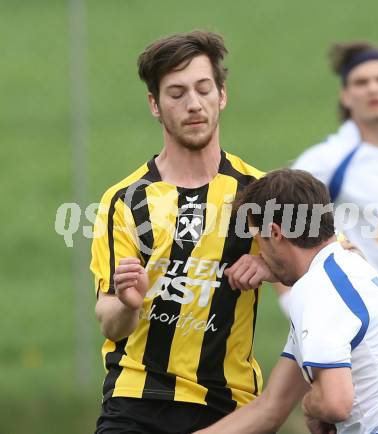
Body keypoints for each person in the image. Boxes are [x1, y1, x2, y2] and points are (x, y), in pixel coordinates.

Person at [90, 30, 277, 434]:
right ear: (155, 105)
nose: (193, 104)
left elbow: (332, 266)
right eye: (176, 94)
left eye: (203, 89)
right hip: (136, 402)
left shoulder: (260, 194)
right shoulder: (125, 200)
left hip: (230, 405)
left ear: (221, 95)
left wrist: (272, 266)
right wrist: (128, 302)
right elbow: (109, 322)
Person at [195, 169, 378, 434]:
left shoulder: (316, 290)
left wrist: (311, 405)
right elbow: (271, 407)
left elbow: (335, 404)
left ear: (275, 233)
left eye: (258, 240)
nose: (260, 254)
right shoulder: (347, 270)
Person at [276, 41, 378, 314]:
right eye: (361, 82)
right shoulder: (326, 160)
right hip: (344, 314)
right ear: (346, 96)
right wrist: (294, 304)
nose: (373, 88)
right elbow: (275, 226)